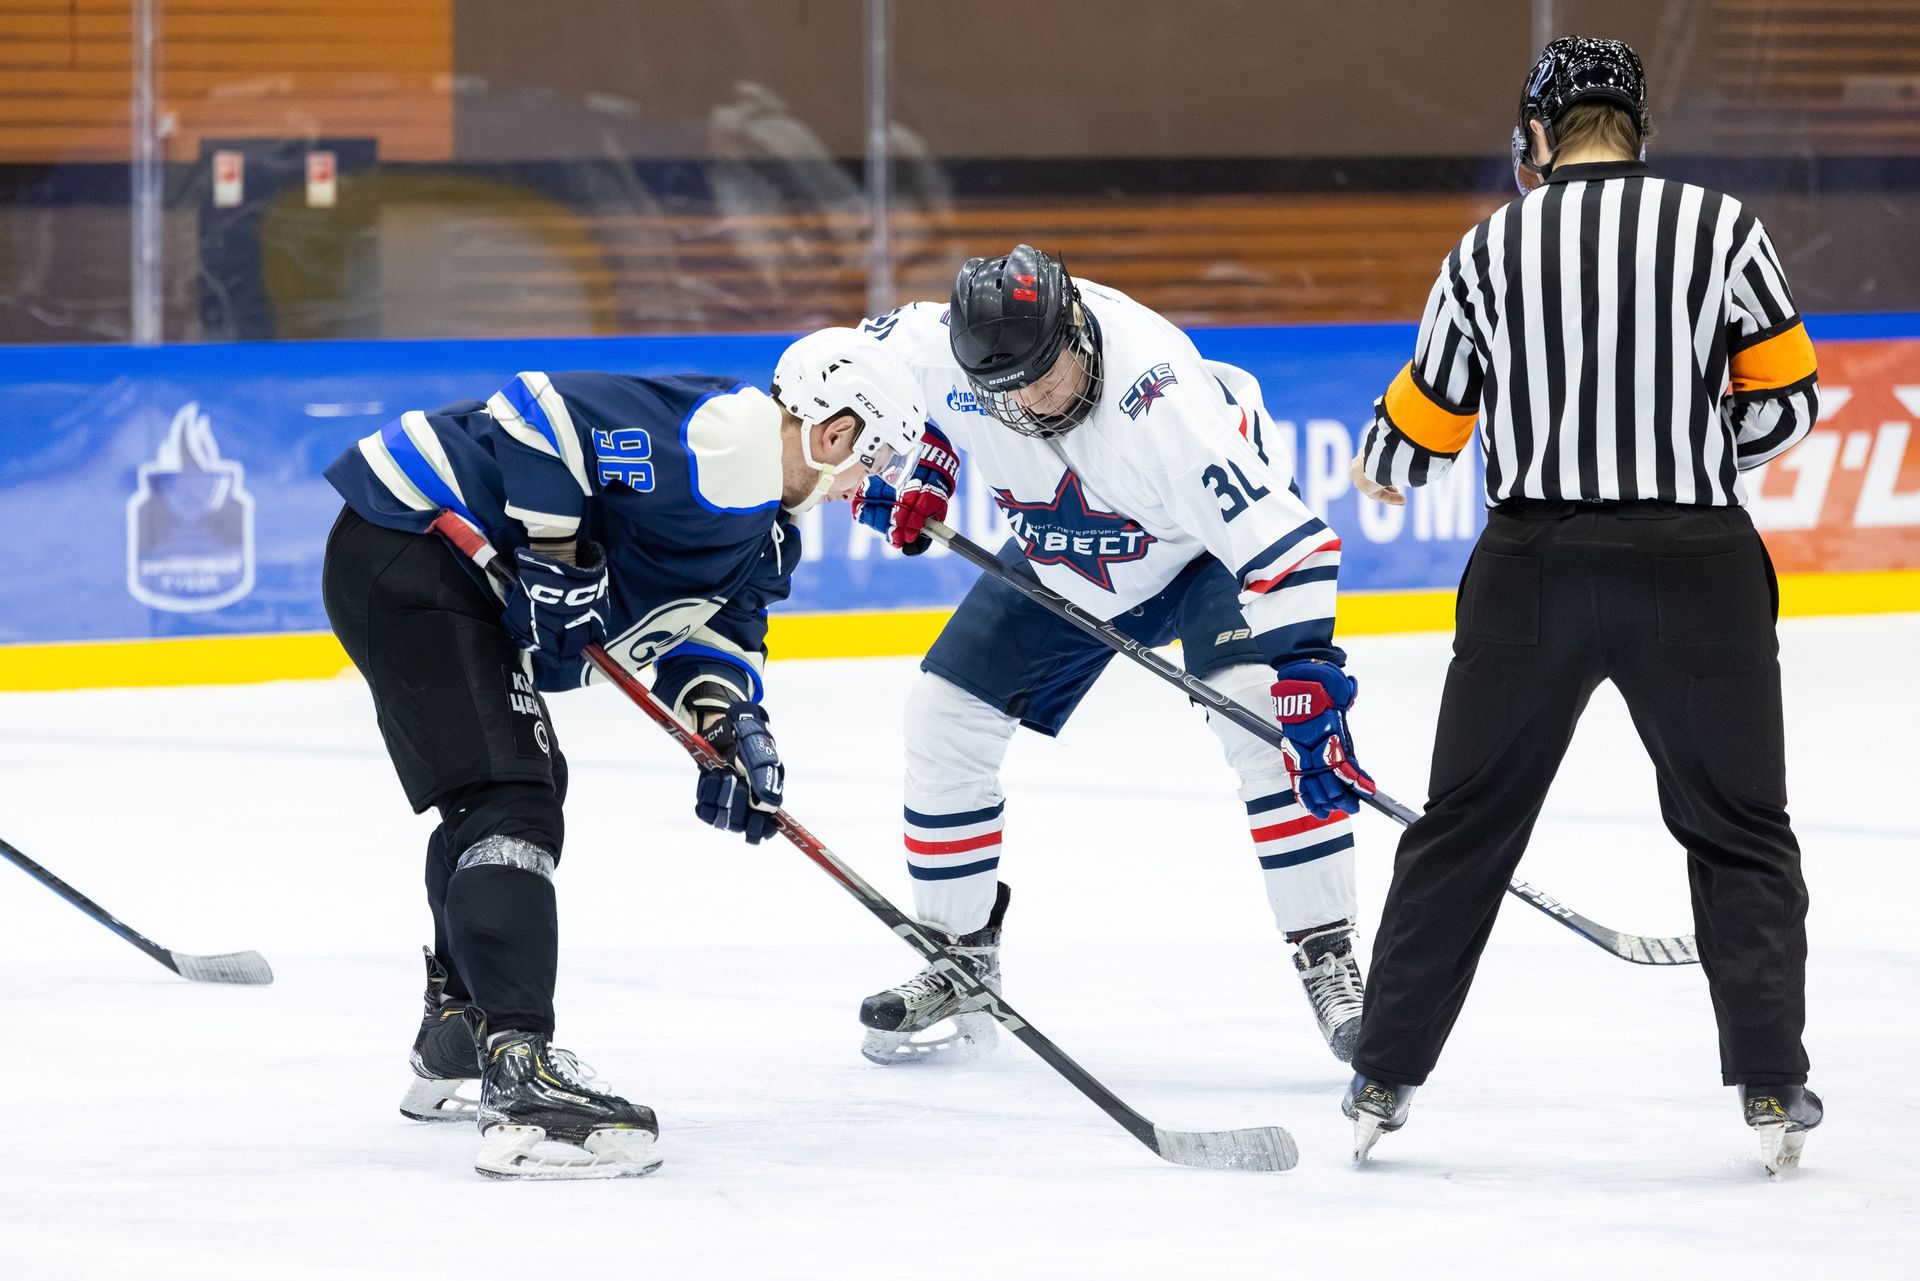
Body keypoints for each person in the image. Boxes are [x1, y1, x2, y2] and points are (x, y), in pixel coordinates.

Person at [1343, 37, 1822, 1175]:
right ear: (1637, 127)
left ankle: (1384, 1072)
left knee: (1465, 825)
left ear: (1538, 135)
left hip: (1534, 566)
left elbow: (1419, 434)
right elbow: (1788, 402)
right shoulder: (1721, 226)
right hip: (1695, 563)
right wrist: (1690, 454)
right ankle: (1770, 1080)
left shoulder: (1489, 245)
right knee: (1740, 827)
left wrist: (1382, 459)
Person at [319, 329, 926, 1179]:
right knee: (509, 797)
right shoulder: (725, 436)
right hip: (416, 537)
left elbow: (709, 641)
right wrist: (556, 552)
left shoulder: (766, 533)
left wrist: (728, 730)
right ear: (836, 432)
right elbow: (534, 410)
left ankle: (462, 1025)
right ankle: (520, 1073)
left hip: (430, 569)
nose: (870, 481)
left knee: (516, 783)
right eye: (878, 455)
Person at [846, 245, 1376, 1067]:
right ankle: (958, 955)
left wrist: (1309, 674)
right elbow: (847, 378)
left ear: (1076, 328)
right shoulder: (935, 348)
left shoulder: (1158, 400)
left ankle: (1327, 952)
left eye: (1043, 375)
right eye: (1005, 388)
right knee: (943, 720)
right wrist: (925, 452)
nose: (1030, 402)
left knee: (1265, 723)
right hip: (1076, 551)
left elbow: (1289, 545)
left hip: (1205, 550)